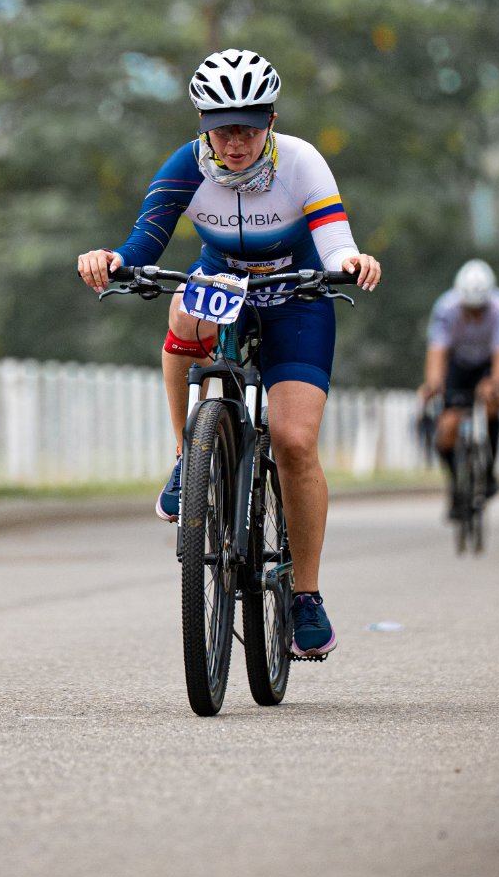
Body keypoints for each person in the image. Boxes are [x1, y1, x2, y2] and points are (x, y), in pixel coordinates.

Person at [76, 48, 379, 662]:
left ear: (269, 120)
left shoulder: (300, 162)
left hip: (294, 293)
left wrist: (351, 264)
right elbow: (144, 241)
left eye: (247, 124)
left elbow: (335, 241)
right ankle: (190, 457)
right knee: (182, 304)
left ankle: (306, 596)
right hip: (221, 288)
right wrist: (111, 260)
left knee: (294, 442)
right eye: (222, 127)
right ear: (203, 126)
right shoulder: (187, 165)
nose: (235, 141)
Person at [420, 260, 499, 514]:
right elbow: (437, 352)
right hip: (458, 364)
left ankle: (489, 474)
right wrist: (433, 384)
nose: (475, 315)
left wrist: (496, 384)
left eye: (480, 309)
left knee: (494, 403)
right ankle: (456, 484)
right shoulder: (446, 307)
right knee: (448, 425)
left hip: (487, 363)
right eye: (469, 309)